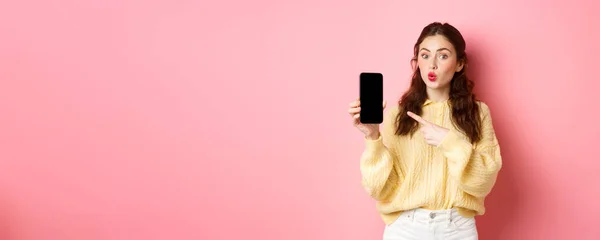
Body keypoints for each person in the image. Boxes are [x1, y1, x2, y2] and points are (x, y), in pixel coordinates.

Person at [348, 22, 502, 240]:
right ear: (416, 62)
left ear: (459, 64)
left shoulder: (478, 113)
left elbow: (483, 183)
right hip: (406, 229)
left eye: (443, 55)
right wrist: (373, 136)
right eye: (425, 55)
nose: (432, 65)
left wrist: (449, 141)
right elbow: (378, 189)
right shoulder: (398, 116)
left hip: (457, 229)